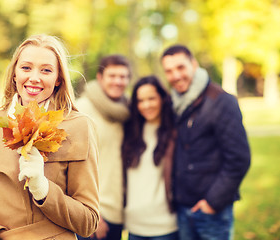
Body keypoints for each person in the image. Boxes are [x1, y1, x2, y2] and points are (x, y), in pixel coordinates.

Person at [0, 34, 99, 240]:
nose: (34, 77)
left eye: (46, 70)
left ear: (58, 79)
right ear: (14, 73)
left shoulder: (78, 126)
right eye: (26, 68)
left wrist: (43, 189)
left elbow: (88, 222)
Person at [160, 44, 251, 240]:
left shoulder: (221, 101)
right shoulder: (174, 103)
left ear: (194, 64)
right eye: (169, 71)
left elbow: (239, 159)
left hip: (212, 212)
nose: (175, 76)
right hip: (182, 209)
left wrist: (212, 202)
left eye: (180, 67)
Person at [76, 54, 131, 240]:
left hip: (119, 212)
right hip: (94, 213)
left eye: (122, 76)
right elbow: (70, 166)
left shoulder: (128, 112)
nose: (118, 81)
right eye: (112, 76)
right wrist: (92, 213)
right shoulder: (82, 109)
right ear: (100, 78)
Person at [122, 76, 179, 240]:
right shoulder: (131, 132)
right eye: (140, 100)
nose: (146, 105)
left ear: (163, 98)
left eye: (151, 98)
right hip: (134, 226)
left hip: (165, 226)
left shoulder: (174, 132)